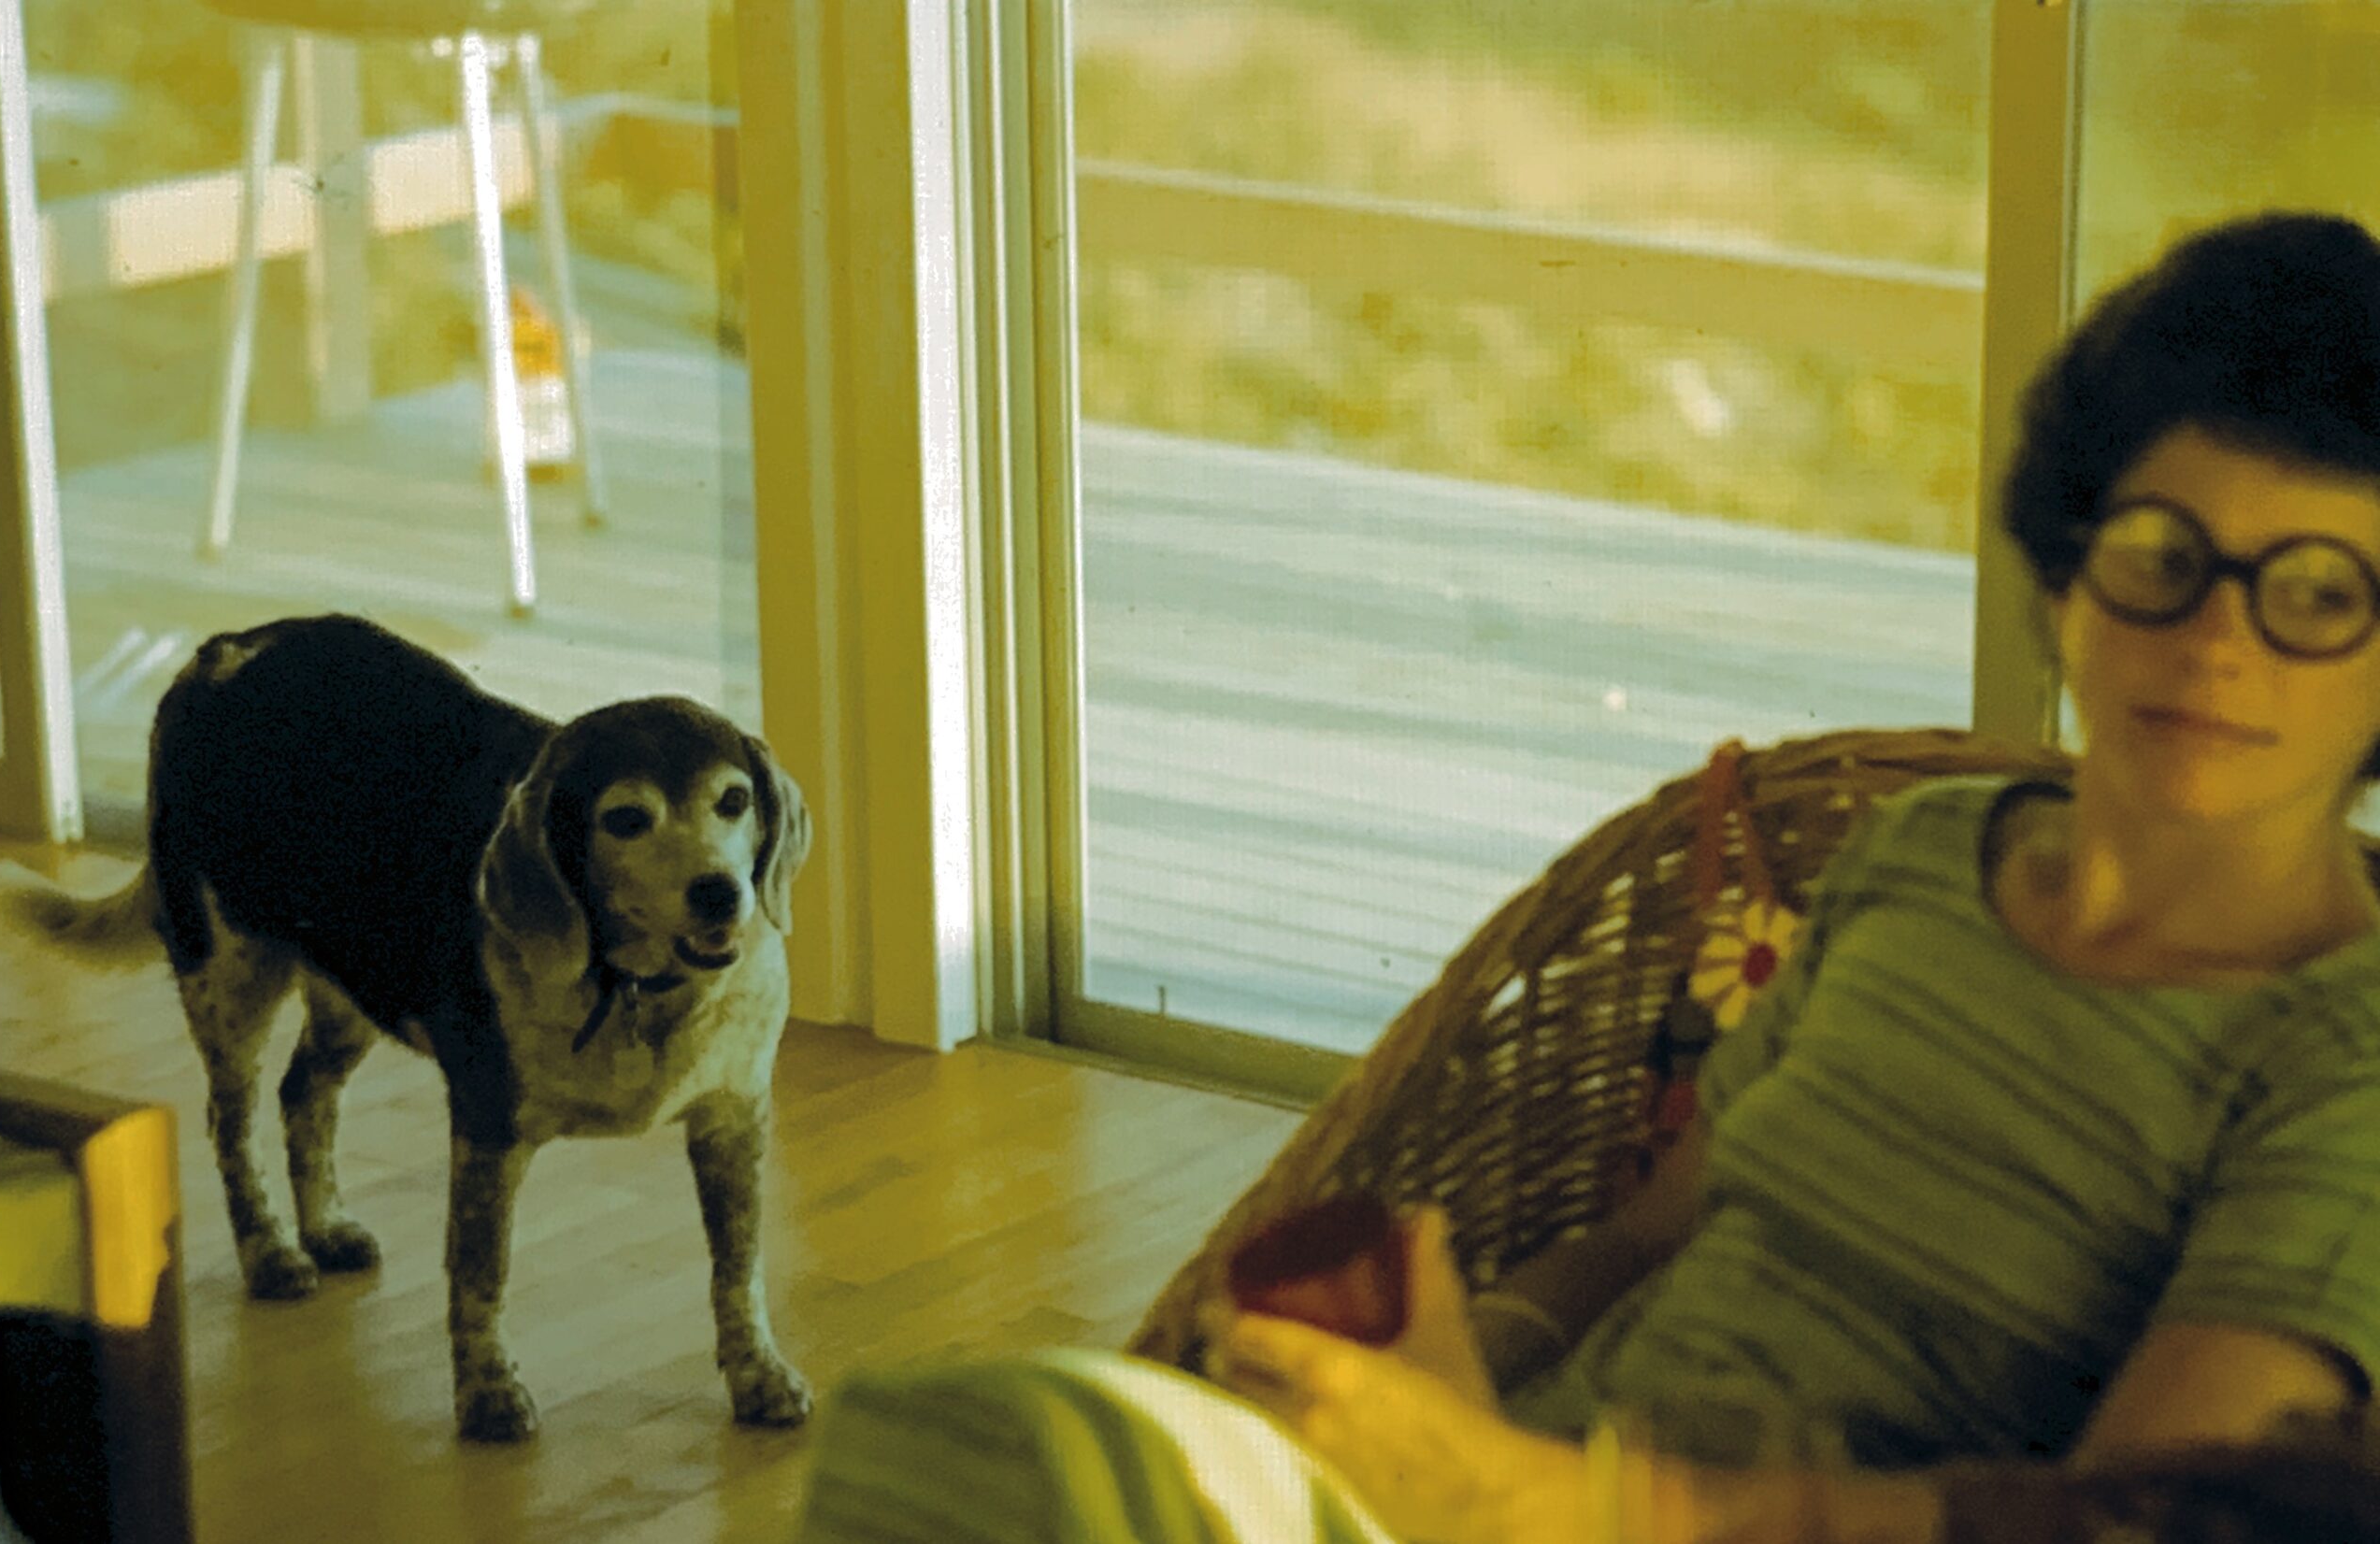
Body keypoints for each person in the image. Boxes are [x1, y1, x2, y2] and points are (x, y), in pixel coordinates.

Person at [792, 210, 2380, 1543]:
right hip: (1508, 1487)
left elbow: (2141, 1523)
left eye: (2318, 594)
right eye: (2163, 557)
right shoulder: (1916, 860)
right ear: (2069, 565)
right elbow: (1653, 1231)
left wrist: (1557, 1504)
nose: (2218, 641)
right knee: (959, 1462)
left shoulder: (2343, 1056)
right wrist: (1458, 1373)